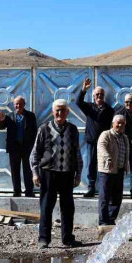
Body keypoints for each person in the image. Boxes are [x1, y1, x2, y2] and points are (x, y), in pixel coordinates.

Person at [31, 99, 83, 249]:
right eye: (57, 110)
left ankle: (67, 239)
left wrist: (78, 173)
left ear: (67, 112)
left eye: (63, 110)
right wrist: (35, 173)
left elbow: (77, 153)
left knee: (67, 207)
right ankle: (44, 239)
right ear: (53, 112)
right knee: (46, 206)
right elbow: (35, 153)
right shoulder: (44, 129)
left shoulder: (73, 130)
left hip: (67, 174)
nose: (60, 113)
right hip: (49, 173)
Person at [77, 78, 114, 198]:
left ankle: (105, 189)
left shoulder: (109, 110)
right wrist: (83, 90)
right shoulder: (89, 107)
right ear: (93, 96)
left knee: (105, 165)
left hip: (104, 142)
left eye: (101, 94)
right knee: (92, 165)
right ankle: (91, 188)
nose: (99, 96)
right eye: (97, 94)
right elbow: (78, 102)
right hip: (92, 141)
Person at [0, 96, 38, 197]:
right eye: (16, 104)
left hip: (27, 147)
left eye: (20, 104)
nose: (18, 106)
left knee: (28, 170)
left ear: (24, 104)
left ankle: (29, 191)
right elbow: (1, 127)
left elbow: (34, 131)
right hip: (14, 147)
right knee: (15, 170)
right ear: (14, 105)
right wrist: (1, 120)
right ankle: (17, 191)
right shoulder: (9, 116)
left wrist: (34, 146)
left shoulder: (30, 115)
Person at [96, 115, 130, 225]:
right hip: (107, 171)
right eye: (118, 123)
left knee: (117, 198)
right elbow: (101, 147)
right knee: (105, 197)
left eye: (122, 123)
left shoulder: (125, 138)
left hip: (119, 171)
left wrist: (126, 166)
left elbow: (126, 153)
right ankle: (103, 221)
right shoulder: (106, 135)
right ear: (113, 123)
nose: (120, 125)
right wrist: (108, 158)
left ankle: (111, 219)